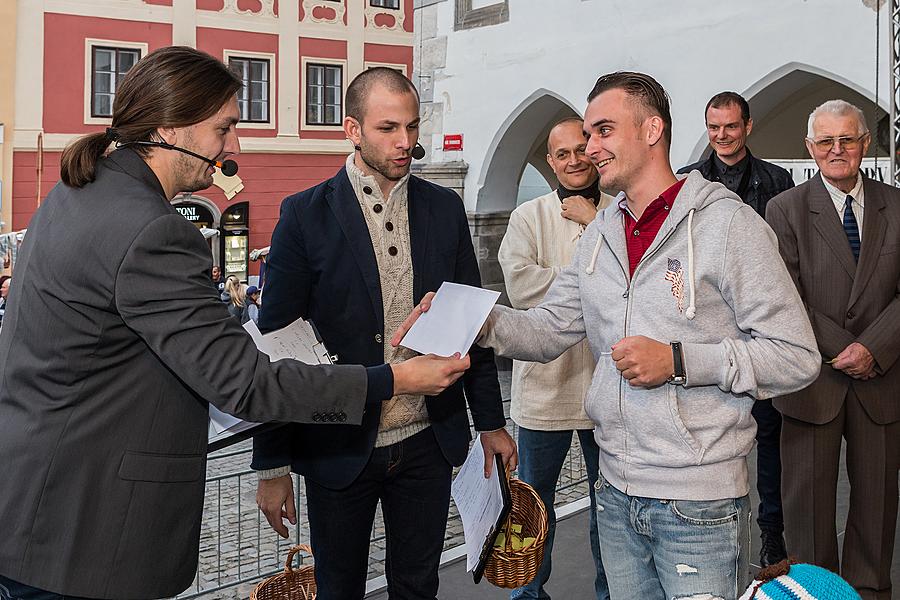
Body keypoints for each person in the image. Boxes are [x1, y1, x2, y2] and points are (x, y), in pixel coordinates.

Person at [0, 47, 469, 600]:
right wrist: (394, 379)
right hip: (87, 531)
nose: (234, 146)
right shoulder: (152, 229)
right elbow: (247, 382)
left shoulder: (77, 193)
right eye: (224, 127)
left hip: (33, 511)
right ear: (172, 127)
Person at [395, 72, 821, 600]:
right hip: (615, 493)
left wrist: (681, 360)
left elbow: (797, 356)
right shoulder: (602, 232)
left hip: (697, 502)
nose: (591, 148)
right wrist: (473, 321)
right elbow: (549, 328)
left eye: (602, 131)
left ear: (651, 130)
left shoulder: (728, 226)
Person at [251, 67, 517, 600]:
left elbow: (472, 323)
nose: (405, 143)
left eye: (413, 127)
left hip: (428, 441)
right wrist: (273, 463)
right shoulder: (304, 215)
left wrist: (490, 422)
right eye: (388, 128)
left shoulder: (443, 208)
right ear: (352, 130)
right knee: (339, 588)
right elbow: (276, 347)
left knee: (418, 586)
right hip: (338, 442)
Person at [766, 99, 900, 600]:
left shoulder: (897, 204)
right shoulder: (785, 209)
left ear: (866, 143)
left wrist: (874, 348)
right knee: (808, 516)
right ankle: (816, 595)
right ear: (810, 147)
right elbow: (784, 296)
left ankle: (868, 595)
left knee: (877, 510)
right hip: (812, 383)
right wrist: (849, 349)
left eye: (848, 139)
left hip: (881, 382)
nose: (837, 150)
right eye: (826, 141)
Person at [678, 91, 795, 567]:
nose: (722, 136)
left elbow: (785, 261)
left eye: (730, 127)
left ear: (748, 126)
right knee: (708, 440)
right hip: (706, 334)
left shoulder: (778, 181)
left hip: (758, 332)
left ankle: (772, 537)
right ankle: (706, 538)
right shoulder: (688, 182)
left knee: (768, 442)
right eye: (713, 128)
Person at [497, 117, 612, 600]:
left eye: (580, 149)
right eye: (562, 154)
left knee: (609, 509)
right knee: (530, 507)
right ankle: (527, 595)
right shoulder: (529, 216)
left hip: (608, 391)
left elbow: (637, 283)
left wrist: (593, 227)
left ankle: (613, 592)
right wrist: (591, 279)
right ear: (550, 160)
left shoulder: (618, 212)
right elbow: (520, 286)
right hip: (545, 392)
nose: (573, 160)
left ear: (594, 148)